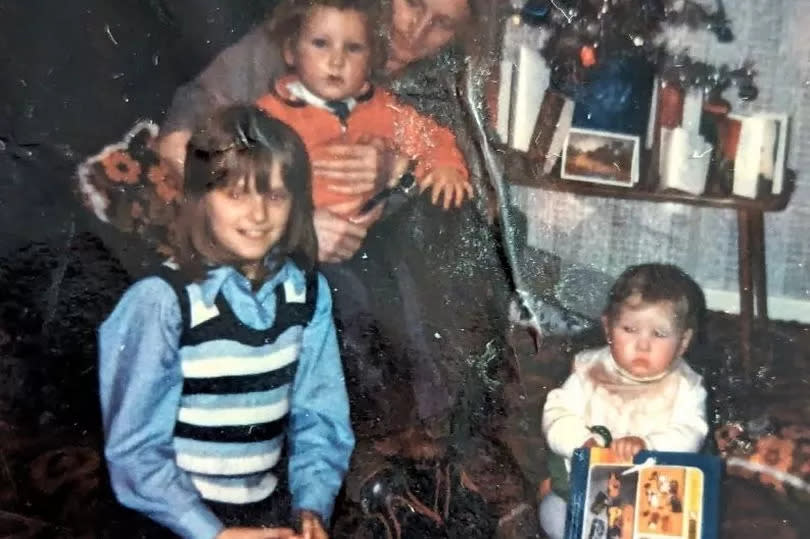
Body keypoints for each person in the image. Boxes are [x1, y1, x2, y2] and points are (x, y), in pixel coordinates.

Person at [154, 0, 541, 535]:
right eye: (413, 5)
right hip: (280, 224)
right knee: (343, 303)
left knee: (464, 228)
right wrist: (295, 223)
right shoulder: (297, 42)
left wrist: (400, 168)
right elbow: (181, 143)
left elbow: (478, 182)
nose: (418, 30)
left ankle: (451, 440)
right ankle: (372, 448)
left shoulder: (441, 79)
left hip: (376, 241)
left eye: (443, 24)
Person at [98, 105, 354, 539]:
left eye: (274, 196)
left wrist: (311, 505)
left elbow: (320, 416)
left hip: (264, 511)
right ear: (200, 200)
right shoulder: (162, 300)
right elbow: (135, 450)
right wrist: (211, 533)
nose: (257, 216)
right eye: (235, 194)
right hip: (173, 518)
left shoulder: (308, 294)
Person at [256, 0, 474, 216]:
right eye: (321, 44)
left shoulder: (384, 108)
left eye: (353, 48)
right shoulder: (269, 113)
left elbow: (432, 137)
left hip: (369, 239)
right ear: (290, 52)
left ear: (371, 59)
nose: (337, 61)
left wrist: (445, 166)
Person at [538, 263, 709, 539]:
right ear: (608, 328)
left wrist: (649, 445)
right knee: (554, 513)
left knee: (688, 525)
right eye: (630, 329)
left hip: (652, 493)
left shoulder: (686, 386)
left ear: (683, 341)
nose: (642, 345)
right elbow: (557, 412)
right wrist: (580, 442)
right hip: (586, 486)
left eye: (659, 334)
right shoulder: (588, 370)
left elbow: (692, 432)